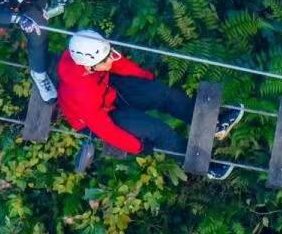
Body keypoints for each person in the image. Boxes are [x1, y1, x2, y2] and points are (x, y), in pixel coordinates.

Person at [58, 29, 245, 180]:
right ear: (89, 66)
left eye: (109, 54)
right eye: (105, 59)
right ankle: (205, 165)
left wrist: (147, 82)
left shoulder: (91, 55)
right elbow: (104, 128)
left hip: (107, 90)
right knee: (158, 131)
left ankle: (215, 125)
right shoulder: (82, 91)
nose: (110, 59)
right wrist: (135, 147)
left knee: (162, 93)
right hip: (97, 118)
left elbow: (119, 64)